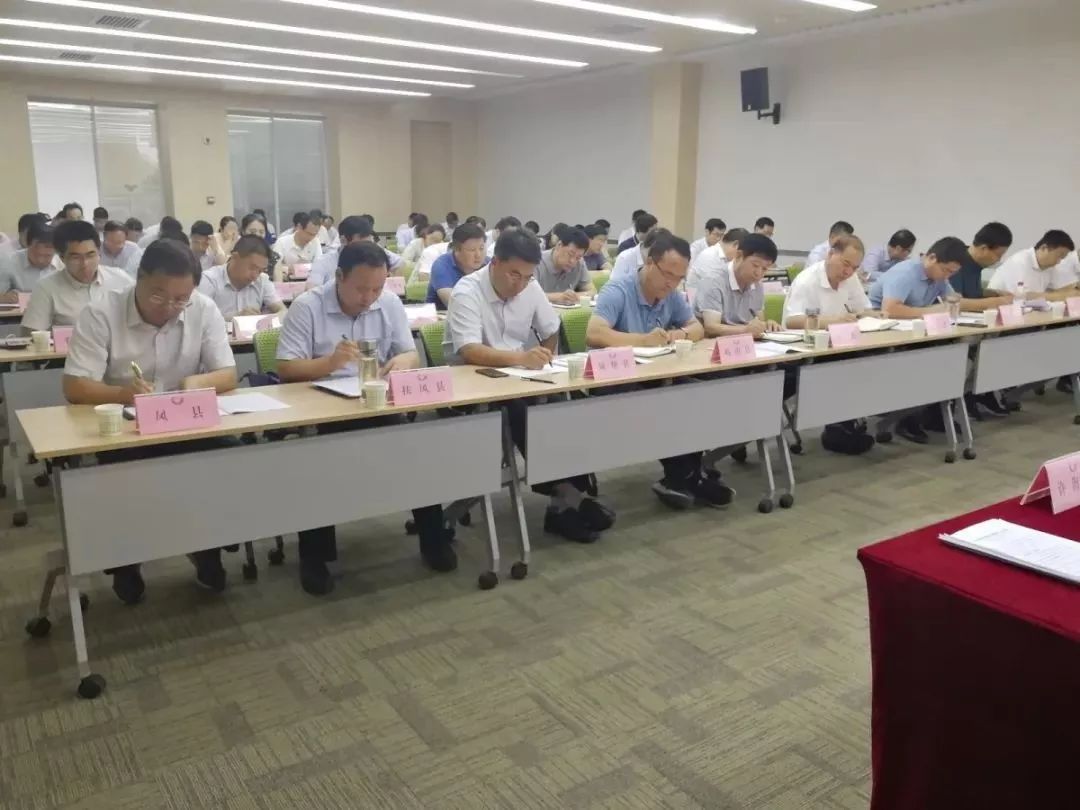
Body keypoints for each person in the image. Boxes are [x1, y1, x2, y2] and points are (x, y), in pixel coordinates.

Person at [63, 239, 238, 602]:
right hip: (126, 428)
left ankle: (207, 545)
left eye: (181, 299)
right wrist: (123, 394)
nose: (170, 307)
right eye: (159, 295)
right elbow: (75, 385)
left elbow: (227, 374)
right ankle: (126, 559)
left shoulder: (202, 308)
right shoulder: (101, 312)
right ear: (138, 279)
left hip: (185, 423)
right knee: (129, 477)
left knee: (228, 457)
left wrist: (195, 384)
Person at [276, 241, 456, 595]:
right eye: (361, 289)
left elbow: (409, 354)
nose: (369, 297)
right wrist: (330, 363)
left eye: (377, 288)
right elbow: (286, 368)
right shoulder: (307, 307)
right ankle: (314, 556)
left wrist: (401, 362)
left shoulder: (388, 303)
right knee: (316, 465)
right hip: (322, 407)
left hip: (376, 402)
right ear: (339, 277)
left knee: (414, 451)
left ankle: (433, 539)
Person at [444, 228, 615, 543]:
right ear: (495, 263)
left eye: (527, 277)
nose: (520, 284)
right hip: (473, 386)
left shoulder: (530, 286)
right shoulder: (467, 291)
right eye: (514, 275)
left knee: (569, 404)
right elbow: (469, 351)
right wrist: (522, 358)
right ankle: (568, 496)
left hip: (519, 378)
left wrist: (545, 357)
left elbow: (551, 328)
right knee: (526, 412)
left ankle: (565, 502)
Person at [586, 233, 734, 510]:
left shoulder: (672, 295)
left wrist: (679, 334)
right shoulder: (618, 290)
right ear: (650, 263)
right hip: (614, 382)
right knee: (666, 405)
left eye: (679, 278)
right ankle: (688, 477)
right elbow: (594, 334)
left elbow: (697, 328)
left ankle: (686, 476)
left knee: (696, 394)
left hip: (657, 375)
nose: (671, 283)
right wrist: (641, 340)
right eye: (667, 274)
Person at [782, 235, 878, 454]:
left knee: (864, 362)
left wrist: (872, 315)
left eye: (855, 267)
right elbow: (792, 322)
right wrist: (832, 321)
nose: (849, 272)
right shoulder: (808, 280)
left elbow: (862, 308)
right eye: (845, 264)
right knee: (846, 367)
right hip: (804, 350)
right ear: (831, 254)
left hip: (838, 347)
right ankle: (838, 429)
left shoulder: (850, 279)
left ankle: (843, 425)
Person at [22, 220, 133, 332]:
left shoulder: (121, 280)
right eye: (76, 257)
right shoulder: (46, 288)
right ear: (62, 258)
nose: (85, 264)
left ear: (99, 252)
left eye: (90, 255)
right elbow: (32, 334)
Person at [697, 233, 781, 338]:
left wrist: (767, 325)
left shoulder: (757, 285)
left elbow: (759, 321)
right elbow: (711, 327)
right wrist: (745, 330)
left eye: (765, 268)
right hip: (712, 343)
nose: (759, 273)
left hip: (745, 342)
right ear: (738, 256)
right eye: (755, 265)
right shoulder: (713, 280)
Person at [868, 237, 975, 318]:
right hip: (877, 322)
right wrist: (932, 311)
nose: (947, 276)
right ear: (932, 258)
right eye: (945, 270)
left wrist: (954, 302)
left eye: (952, 273)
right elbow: (889, 309)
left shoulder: (939, 277)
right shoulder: (905, 272)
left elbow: (952, 300)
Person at [198, 235, 285, 320]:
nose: (255, 276)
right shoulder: (209, 280)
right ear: (235, 257)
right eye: (252, 268)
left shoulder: (262, 280)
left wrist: (265, 320)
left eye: (260, 271)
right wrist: (235, 317)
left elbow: (283, 311)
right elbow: (199, 319)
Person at [308, 215, 404, 288]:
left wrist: (388, 278)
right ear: (343, 240)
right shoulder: (324, 262)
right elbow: (311, 290)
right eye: (361, 242)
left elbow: (400, 263)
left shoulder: (373, 252)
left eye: (368, 242)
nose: (366, 248)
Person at [989, 230, 1078, 301]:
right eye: (1059, 256)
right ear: (1044, 248)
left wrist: (1074, 289)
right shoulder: (1021, 261)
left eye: (1062, 258)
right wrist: (1058, 296)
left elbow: (1060, 289)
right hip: (996, 306)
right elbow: (1022, 296)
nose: (1059, 262)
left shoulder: (1050, 266)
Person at [427, 223, 487, 310]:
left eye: (481, 248)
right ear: (456, 249)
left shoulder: (489, 264)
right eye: (472, 250)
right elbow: (455, 304)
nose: (478, 255)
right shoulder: (442, 265)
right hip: (443, 317)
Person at [535, 228, 596, 304]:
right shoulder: (535, 261)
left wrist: (574, 296)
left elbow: (592, 291)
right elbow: (528, 295)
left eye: (578, 257)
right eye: (570, 254)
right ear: (559, 245)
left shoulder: (579, 263)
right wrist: (558, 297)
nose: (572, 261)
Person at [0, 222, 59, 300]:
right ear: (27, 245)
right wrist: (4, 298)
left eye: (47, 256)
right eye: (36, 254)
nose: (41, 260)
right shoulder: (8, 262)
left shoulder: (63, 264)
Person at [687, 227, 748, 292]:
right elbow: (714, 286)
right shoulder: (710, 256)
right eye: (741, 254)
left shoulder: (724, 257)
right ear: (735, 245)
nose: (740, 259)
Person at [273, 212, 322, 278]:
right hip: (287, 280)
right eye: (309, 234)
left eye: (314, 235)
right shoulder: (282, 242)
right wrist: (288, 269)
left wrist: (300, 268)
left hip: (309, 280)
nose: (311, 238)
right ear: (299, 227)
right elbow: (274, 266)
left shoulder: (315, 241)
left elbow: (319, 265)